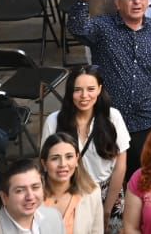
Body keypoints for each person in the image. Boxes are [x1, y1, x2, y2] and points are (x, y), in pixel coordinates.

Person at [67, 0, 151, 178]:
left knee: (142, 179)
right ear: (117, 2)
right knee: (107, 178)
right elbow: (77, 28)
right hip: (108, 121)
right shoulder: (103, 27)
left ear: (148, 1)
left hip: (144, 121)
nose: (136, 1)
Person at [42, 67, 129, 221]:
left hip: (107, 193)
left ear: (99, 89)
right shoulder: (53, 121)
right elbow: (45, 164)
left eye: (91, 89)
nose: (84, 96)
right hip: (68, 193)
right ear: (70, 92)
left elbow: (120, 166)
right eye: (77, 90)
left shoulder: (113, 117)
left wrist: (107, 209)